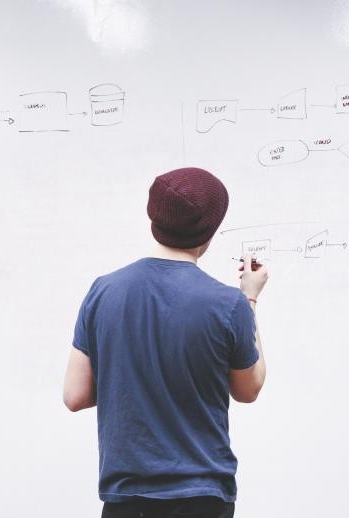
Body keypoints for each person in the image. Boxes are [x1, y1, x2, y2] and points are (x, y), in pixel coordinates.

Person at [62, 167, 268, 518]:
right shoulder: (227, 304)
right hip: (202, 497)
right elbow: (247, 389)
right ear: (210, 229)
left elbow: (75, 395)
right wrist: (249, 299)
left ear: (153, 217)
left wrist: (132, 375)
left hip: (126, 500)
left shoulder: (103, 291)